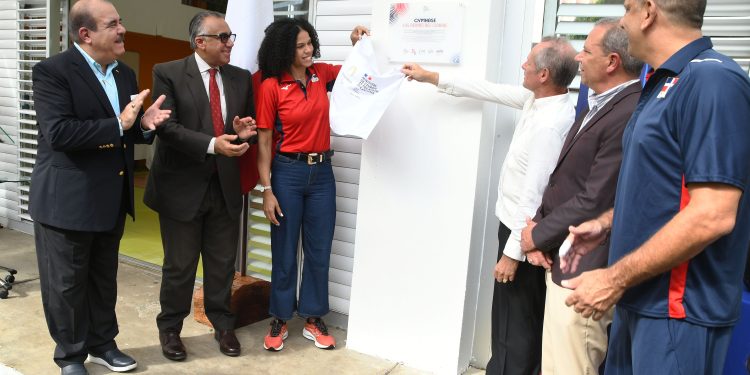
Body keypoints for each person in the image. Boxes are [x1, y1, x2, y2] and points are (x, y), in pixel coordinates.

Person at [561, 1, 750, 374]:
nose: (622, 21)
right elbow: (663, 189)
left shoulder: (712, 82)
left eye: (628, 9)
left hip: (677, 312)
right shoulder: (663, 82)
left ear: (649, 12)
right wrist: (608, 223)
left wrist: (612, 280)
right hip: (640, 299)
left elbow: (712, 214)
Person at [401, 37, 577, 374]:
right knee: (510, 319)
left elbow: (535, 194)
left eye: (528, 62)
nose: (522, 65)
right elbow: (488, 90)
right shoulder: (536, 100)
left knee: (517, 324)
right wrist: (432, 77)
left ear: (543, 74)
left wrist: (513, 254)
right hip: (515, 230)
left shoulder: (551, 124)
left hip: (522, 237)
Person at [30, 0, 171, 373]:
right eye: (113, 24)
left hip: (110, 198)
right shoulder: (52, 72)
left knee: (103, 280)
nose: (122, 29)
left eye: (120, 22)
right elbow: (58, 133)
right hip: (67, 201)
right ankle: (70, 355)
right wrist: (120, 125)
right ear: (86, 34)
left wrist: (144, 126)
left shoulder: (124, 74)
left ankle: (103, 343)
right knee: (67, 286)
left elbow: (125, 131)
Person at [517, 19, 643, 374]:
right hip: (563, 255)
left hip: (586, 270)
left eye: (587, 50)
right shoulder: (597, 103)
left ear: (612, 62)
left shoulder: (628, 111)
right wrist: (541, 231)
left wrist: (535, 235)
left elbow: (596, 198)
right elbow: (563, 179)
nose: (578, 60)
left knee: (570, 365)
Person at [144, 11, 257, 360]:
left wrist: (242, 134)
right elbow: (167, 127)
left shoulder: (240, 78)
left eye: (230, 36)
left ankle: (223, 325)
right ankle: (171, 330)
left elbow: (246, 129)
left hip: (224, 185)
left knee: (222, 263)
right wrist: (213, 144)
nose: (230, 43)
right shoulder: (168, 72)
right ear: (200, 42)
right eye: (222, 37)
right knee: (179, 266)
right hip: (181, 187)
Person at [255, 19, 368, 351]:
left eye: (310, 43)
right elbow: (263, 143)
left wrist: (356, 43)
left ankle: (314, 318)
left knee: (319, 250)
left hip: (322, 175)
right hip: (287, 173)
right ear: (283, 50)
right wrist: (267, 189)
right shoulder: (271, 86)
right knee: (285, 251)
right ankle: (279, 318)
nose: (308, 50)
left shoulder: (322, 74)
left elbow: (355, 71)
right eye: (300, 46)